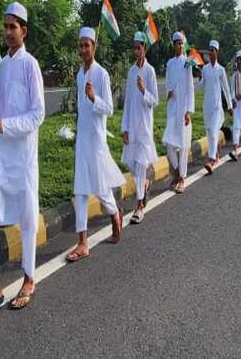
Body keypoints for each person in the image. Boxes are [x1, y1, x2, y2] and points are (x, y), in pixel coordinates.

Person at [0, 2, 45, 323]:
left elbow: (38, 114)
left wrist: (7, 125)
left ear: (24, 31)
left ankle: (29, 279)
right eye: (4, 26)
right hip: (3, 154)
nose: (7, 31)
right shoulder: (0, 65)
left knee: (28, 219)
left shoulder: (31, 65)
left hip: (24, 155)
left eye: (12, 26)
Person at [66, 26, 125, 262]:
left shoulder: (102, 74)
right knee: (80, 191)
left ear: (94, 46)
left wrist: (94, 98)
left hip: (97, 140)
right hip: (82, 139)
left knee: (101, 189)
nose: (83, 50)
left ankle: (115, 213)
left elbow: (109, 108)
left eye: (87, 45)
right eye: (80, 45)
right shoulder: (80, 74)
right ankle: (82, 242)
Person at [121, 32, 159, 224]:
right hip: (132, 124)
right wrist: (124, 128)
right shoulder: (131, 72)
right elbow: (127, 101)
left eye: (139, 48)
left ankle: (139, 206)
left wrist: (144, 90)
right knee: (132, 164)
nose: (136, 51)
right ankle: (144, 184)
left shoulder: (150, 71)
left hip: (144, 126)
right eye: (134, 48)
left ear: (145, 48)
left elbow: (155, 101)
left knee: (142, 164)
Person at [164, 32, 195, 194]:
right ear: (173, 45)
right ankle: (177, 172)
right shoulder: (169, 63)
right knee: (168, 143)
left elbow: (190, 87)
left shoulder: (187, 63)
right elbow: (167, 83)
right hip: (172, 108)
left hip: (183, 108)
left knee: (183, 145)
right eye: (177, 43)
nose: (180, 46)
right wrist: (168, 92)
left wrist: (188, 111)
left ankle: (182, 178)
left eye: (182, 43)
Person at [199, 39, 233, 174]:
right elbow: (201, 86)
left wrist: (230, 106)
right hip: (206, 107)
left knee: (213, 132)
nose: (210, 53)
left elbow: (226, 89)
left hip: (217, 108)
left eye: (212, 50)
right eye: (209, 50)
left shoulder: (221, 70)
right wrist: (200, 76)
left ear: (217, 52)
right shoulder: (205, 69)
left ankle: (211, 160)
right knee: (209, 133)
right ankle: (216, 155)